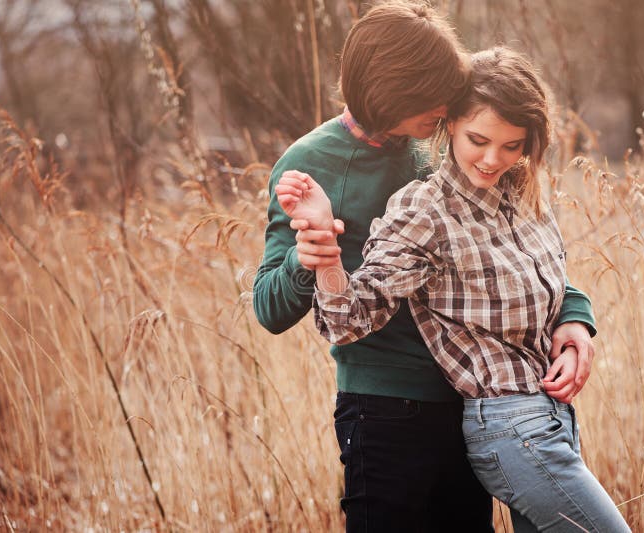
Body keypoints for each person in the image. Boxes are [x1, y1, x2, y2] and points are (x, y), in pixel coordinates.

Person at [253, 2, 597, 531]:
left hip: (467, 403)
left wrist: (573, 314)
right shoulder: (309, 164)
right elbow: (268, 307)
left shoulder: (441, 145)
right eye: (432, 98)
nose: (443, 109)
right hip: (384, 408)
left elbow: (504, 250)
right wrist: (309, 256)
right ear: (390, 90)